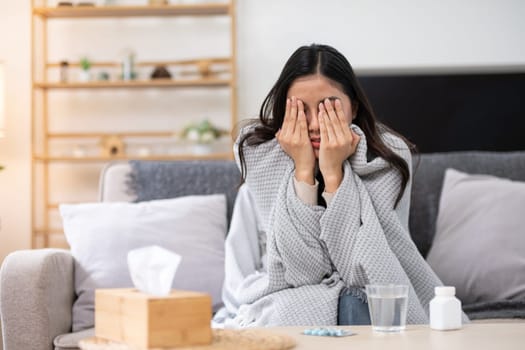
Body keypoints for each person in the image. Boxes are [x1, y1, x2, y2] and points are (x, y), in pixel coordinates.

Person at [214, 43, 464, 328]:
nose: (314, 124)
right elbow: (302, 273)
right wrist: (303, 171)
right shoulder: (262, 162)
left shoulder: (387, 159)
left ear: (353, 107)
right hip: (288, 296)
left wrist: (334, 174)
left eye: (328, 108)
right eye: (300, 109)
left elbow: (367, 271)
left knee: (354, 303)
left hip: (368, 297)